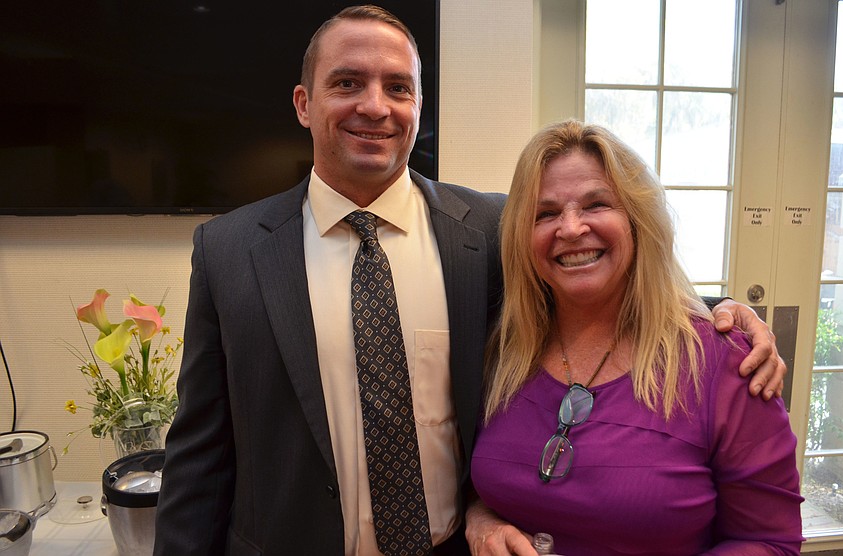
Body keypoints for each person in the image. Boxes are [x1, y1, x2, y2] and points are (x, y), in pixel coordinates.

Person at [153, 6, 787, 555]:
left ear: (418, 108)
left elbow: (592, 273)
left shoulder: (486, 230)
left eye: (397, 87)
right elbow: (199, 459)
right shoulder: (229, 251)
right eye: (348, 82)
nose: (375, 105)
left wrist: (720, 313)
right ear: (303, 103)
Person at [465, 120, 804, 556]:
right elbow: (464, 476)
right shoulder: (500, 351)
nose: (570, 229)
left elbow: (769, 541)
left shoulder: (728, 365)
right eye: (545, 213)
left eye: (596, 204)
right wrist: (480, 517)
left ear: (638, 220)